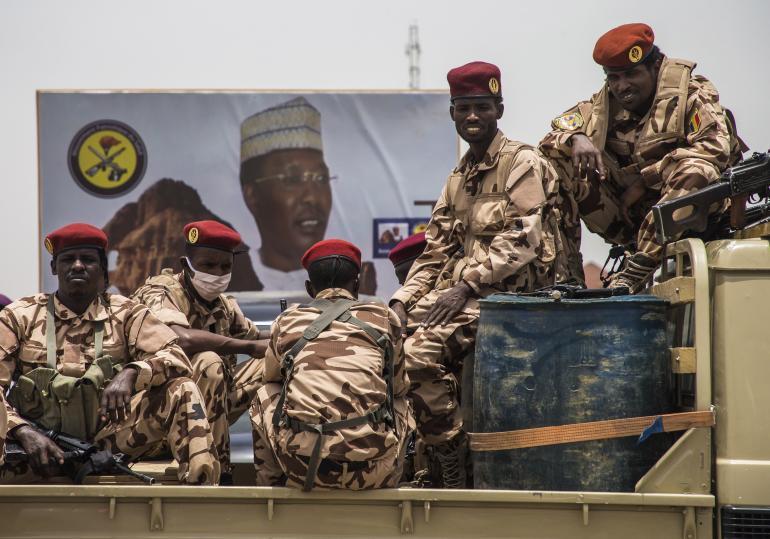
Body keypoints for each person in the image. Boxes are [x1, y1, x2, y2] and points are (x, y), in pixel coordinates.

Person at [390, 61, 563, 487]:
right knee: (385, 342)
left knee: (416, 356)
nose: (472, 117)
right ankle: (419, 454)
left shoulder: (522, 163)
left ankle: (450, 454)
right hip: (466, 298)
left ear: (498, 109)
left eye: (481, 107)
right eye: (463, 108)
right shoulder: (457, 179)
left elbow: (525, 237)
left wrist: (466, 284)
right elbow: (434, 254)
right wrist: (399, 303)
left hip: (515, 300)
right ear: (452, 113)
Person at [0, 223, 219, 484]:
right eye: (68, 259)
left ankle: (201, 493)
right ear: (54, 267)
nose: (78, 266)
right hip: (40, 445)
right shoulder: (20, 315)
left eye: (88, 260)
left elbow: (176, 357)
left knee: (182, 389)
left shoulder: (126, 313)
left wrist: (132, 372)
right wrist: (21, 430)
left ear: (102, 268)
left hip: (110, 441)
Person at [539, 23, 745, 292]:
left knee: (697, 168)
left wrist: (647, 179)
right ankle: (568, 279)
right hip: (630, 220)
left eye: (631, 74)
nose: (622, 86)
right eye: (613, 78)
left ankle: (637, 269)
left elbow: (714, 148)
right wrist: (576, 138)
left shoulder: (691, 97)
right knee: (554, 165)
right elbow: (547, 142)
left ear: (656, 66)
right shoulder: (603, 107)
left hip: (696, 215)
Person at [250, 239, 413, 490]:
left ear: (308, 288)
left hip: (304, 471)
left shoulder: (287, 320)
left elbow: (271, 377)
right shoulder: (384, 317)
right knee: (402, 401)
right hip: (373, 472)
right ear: (357, 285)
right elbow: (399, 386)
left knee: (264, 394)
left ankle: (269, 487)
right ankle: (396, 481)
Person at [132, 220, 268, 479]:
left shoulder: (222, 305)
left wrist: (301, 328)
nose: (217, 273)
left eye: (225, 266)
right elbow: (180, 338)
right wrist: (249, 347)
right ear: (186, 264)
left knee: (274, 360)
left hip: (209, 411)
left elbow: (257, 335)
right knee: (209, 362)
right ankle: (217, 475)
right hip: (163, 415)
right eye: (208, 265)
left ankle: (278, 467)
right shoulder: (159, 291)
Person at [239, 97, 377, 294]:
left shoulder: (351, 279)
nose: (311, 198)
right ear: (252, 196)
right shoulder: (235, 278)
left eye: (321, 179)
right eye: (292, 180)